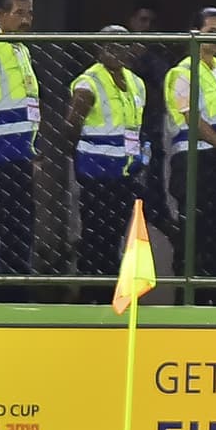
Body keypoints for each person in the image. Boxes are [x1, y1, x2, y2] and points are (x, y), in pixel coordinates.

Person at [164, 7, 216, 305]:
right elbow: (192, 120)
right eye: (211, 32)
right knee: (194, 232)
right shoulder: (182, 73)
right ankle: (188, 298)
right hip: (194, 161)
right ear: (195, 32)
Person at [65, 26, 146, 303]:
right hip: (96, 174)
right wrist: (81, 157)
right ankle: (90, 296)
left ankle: (111, 294)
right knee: (95, 237)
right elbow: (71, 127)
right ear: (98, 50)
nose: (117, 51)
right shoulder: (89, 82)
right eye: (110, 46)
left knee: (116, 237)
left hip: (125, 173)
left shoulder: (136, 82)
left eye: (123, 45)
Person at [0, 0, 37, 298]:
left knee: (22, 226)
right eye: (19, 13)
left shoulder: (22, 50)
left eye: (30, 13)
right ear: (1, 15)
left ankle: (18, 291)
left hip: (20, 153)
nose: (27, 20)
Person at [126, 0, 176, 246]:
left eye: (150, 22)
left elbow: (163, 96)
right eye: (142, 20)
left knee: (154, 205)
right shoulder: (119, 57)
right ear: (131, 21)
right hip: (122, 142)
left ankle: (186, 248)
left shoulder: (157, 61)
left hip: (149, 139)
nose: (146, 27)